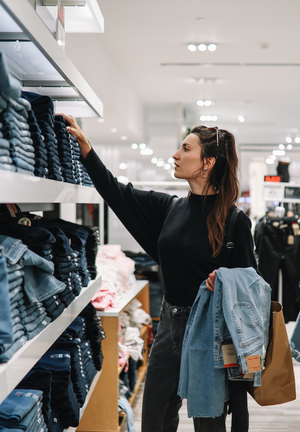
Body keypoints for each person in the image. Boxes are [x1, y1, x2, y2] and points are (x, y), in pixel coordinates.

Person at [61, 114, 257, 432]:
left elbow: (253, 287)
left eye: (185, 149)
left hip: (209, 332)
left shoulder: (234, 221)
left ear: (207, 163)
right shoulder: (171, 208)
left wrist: (224, 279)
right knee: (155, 420)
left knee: (209, 424)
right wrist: (87, 151)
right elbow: (117, 193)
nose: (175, 155)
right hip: (168, 325)